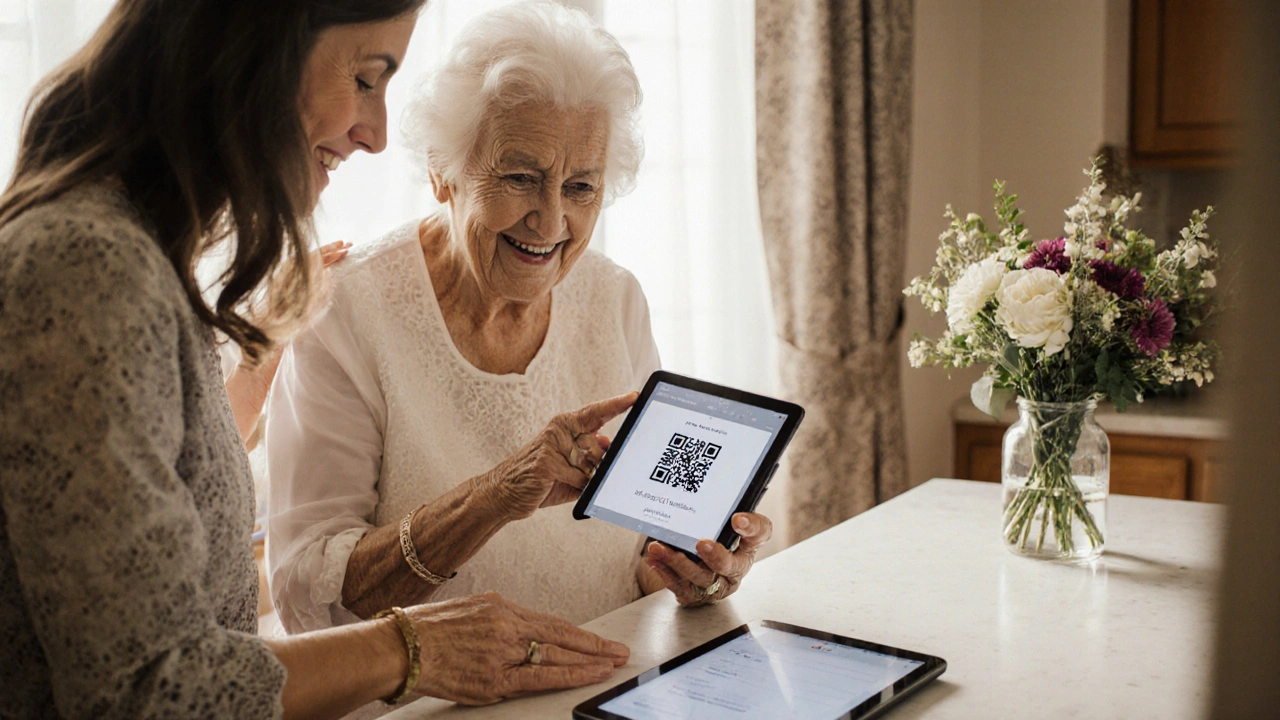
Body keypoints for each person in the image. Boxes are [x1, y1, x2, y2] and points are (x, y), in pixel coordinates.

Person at [0, 2, 631, 718]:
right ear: (250, 55)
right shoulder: (85, 268)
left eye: (580, 185)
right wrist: (414, 648)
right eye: (365, 78)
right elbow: (146, 690)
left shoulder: (137, 260)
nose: (377, 133)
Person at [267, 0, 772, 639]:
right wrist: (496, 496)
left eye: (580, 187)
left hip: (609, 675)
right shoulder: (345, 311)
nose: (551, 222)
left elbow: (640, 556)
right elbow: (311, 596)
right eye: (520, 177)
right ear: (442, 170)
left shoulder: (614, 298)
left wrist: (693, 571)